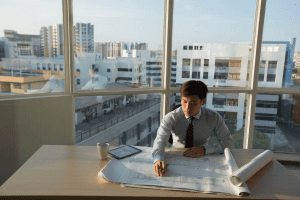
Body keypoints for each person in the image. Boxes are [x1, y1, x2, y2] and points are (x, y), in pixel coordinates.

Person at [152, 80, 234, 176]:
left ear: (203, 101)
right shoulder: (171, 117)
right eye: (184, 101)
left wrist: (205, 150)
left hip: (203, 157)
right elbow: (160, 140)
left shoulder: (214, 117)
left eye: (193, 102)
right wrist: (158, 159)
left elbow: (228, 143)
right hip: (177, 155)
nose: (187, 108)